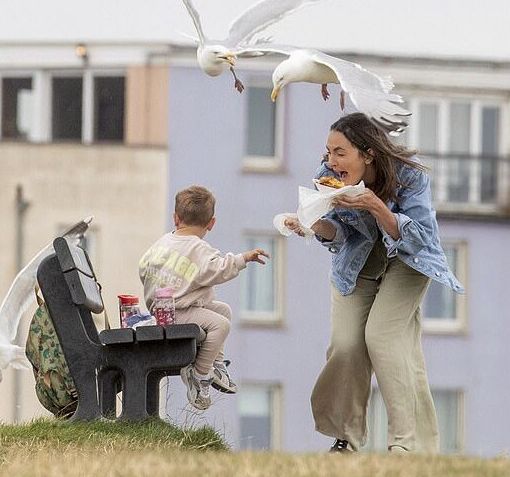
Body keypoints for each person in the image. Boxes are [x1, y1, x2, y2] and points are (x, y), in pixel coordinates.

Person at [285, 113, 463, 454]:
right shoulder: (329, 178)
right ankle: (346, 439)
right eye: (328, 152)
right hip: (358, 265)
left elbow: (421, 239)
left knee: (382, 337)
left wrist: (375, 205)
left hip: (409, 263)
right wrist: (313, 226)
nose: (331, 162)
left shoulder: (409, 176)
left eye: (340, 152)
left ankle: (405, 445)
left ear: (367, 154)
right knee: (347, 344)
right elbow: (341, 233)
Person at [139, 185, 269, 411]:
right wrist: (244, 258)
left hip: (161, 308)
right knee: (222, 324)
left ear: (175, 218)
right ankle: (198, 375)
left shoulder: (160, 244)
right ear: (211, 223)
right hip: (177, 312)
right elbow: (219, 269)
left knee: (223, 310)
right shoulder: (200, 249)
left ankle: (216, 365)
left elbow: (143, 269)